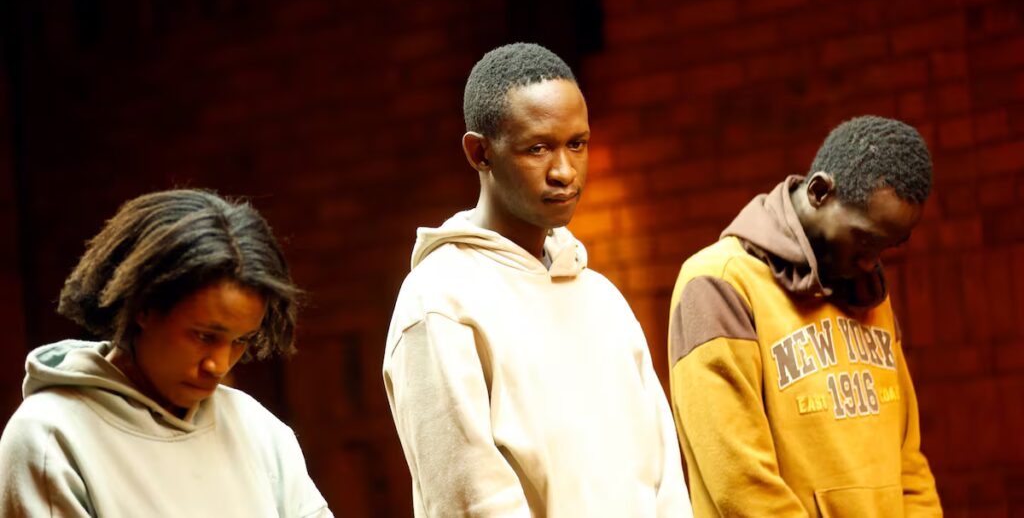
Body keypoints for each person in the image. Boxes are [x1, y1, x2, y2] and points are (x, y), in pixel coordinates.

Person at [383, 42, 690, 517]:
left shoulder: (603, 298)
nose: (564, 171)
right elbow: (471, 502)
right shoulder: (439, 301)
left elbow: (665, 474)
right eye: (538, 148)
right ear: (480, 153)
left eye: (577, 144)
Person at [668, 115, 942, 516]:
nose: (871, 263)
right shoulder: (718, 284)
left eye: (886, 248)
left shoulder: (866, 292)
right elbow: (742, 484)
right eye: (864, 240)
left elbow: (909, 464)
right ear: (819, 192)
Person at [0, 189, 332, 517]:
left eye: (240, 340)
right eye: (204, 336)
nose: (219, 365)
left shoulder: (258, 429)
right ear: (144, 308)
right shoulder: (51, 437)